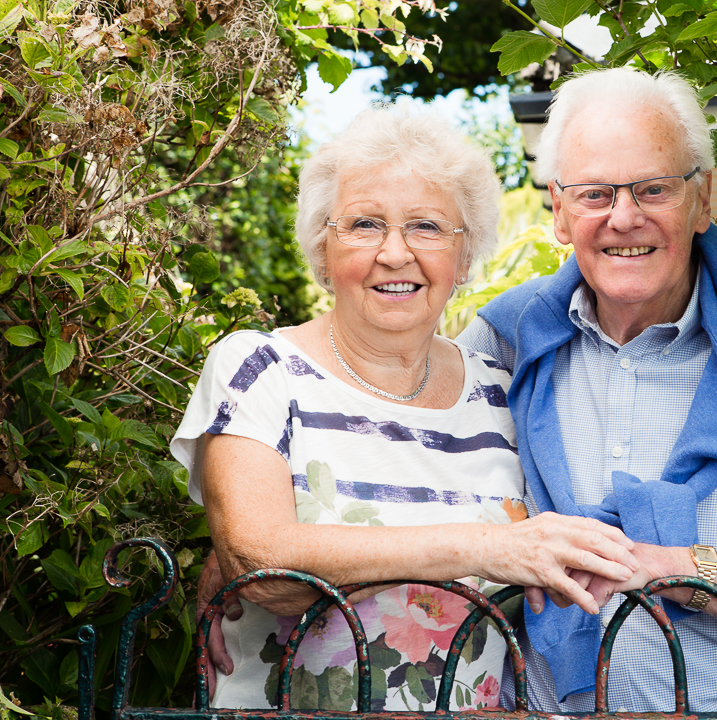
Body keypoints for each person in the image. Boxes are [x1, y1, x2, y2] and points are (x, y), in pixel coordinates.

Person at [170, 108, 641, 711]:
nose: (395, 253)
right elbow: (262, 565)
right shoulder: (260, 369)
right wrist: (486, 548)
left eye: (426, 227)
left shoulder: (500, 391)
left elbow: (563, 551)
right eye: (365, 225)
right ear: (322, 245)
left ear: (464, 257)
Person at [456, 67, 717, 713]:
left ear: (702, 199)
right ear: (558, 208)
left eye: (653, 188)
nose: (624, 218)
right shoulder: (503, 342)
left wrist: (665, 567)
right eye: (595, 193)